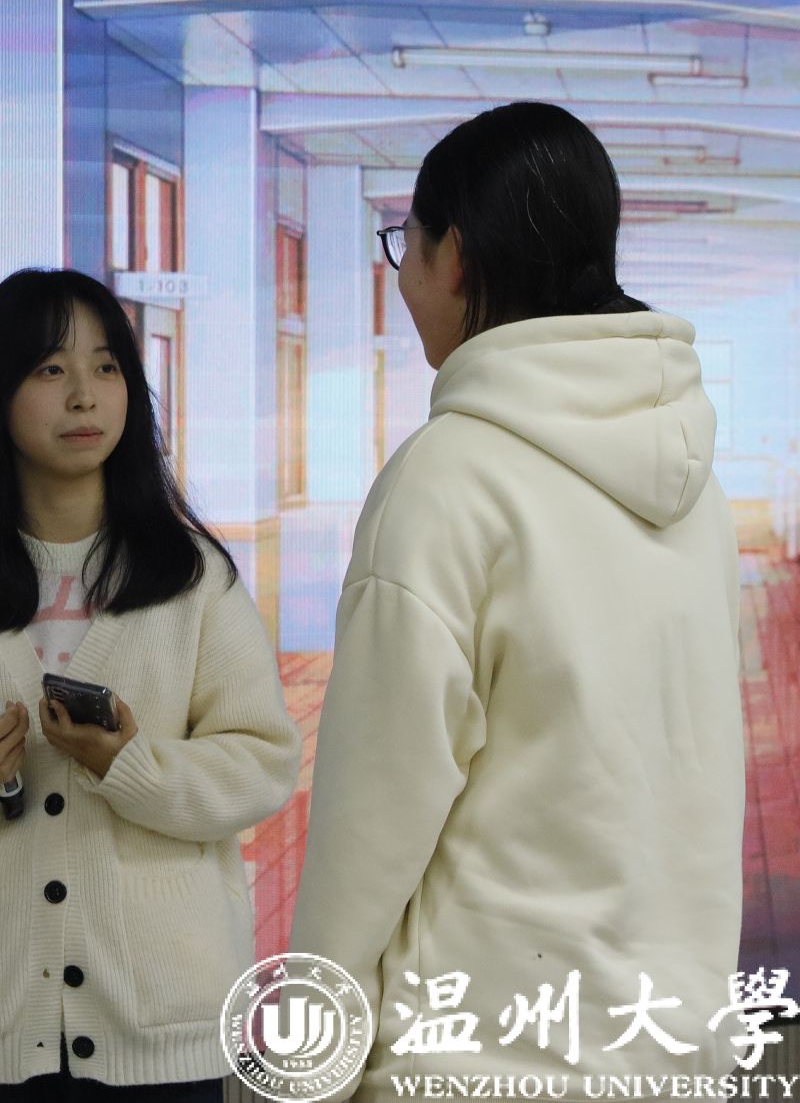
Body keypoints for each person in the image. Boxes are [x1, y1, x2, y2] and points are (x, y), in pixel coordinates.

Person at [291, 102, 744, 1097]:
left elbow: (372, 825)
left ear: (454, 256)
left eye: (404, 245)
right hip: (668, 1049)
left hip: (473, 1057)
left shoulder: (445, 478)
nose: (402, 278)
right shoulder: (694, 484)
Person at [0, 267, 299, 1102]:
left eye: (106, 365)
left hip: (164, 1017)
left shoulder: (195, 579)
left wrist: (130, 764)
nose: (85, 394)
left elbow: (261, 765)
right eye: (51, 368)